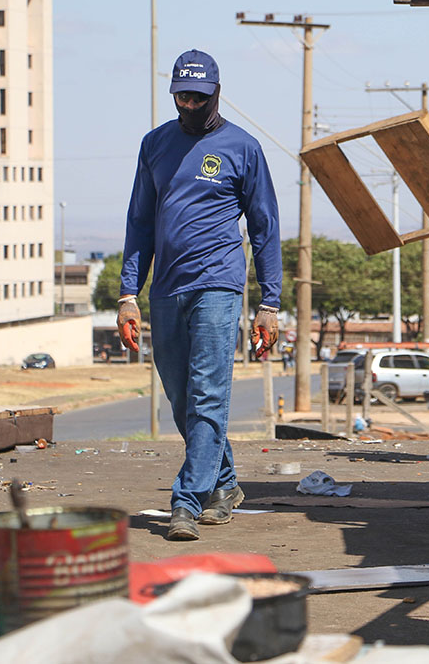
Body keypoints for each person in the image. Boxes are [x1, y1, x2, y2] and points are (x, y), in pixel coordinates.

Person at [118, 49, 282, 541]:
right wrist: (129, 293)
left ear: (216, 93)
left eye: (198, 97)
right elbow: (139, 222)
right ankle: (226, 484)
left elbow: (265, 227)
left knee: (208, 394)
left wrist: (269, 303)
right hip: (166, 287)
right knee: (181, 397)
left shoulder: (243, 147)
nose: (188, 105)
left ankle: (185, 501)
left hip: (218, 284)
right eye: (180, 96)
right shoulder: (154, 144)